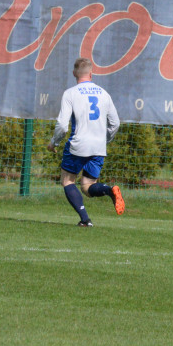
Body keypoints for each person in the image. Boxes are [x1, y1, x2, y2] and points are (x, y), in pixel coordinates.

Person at [47, 57, 126, 226]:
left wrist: (54, 142)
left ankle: (85, 220)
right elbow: (115, 123)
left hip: (78, 144)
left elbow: (62, 125)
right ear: (91, 73)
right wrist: (105, 140)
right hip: (98, 146)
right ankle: (109, 189)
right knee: (88, 186)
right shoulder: (104, 93)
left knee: (68, 180)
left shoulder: (71, 93)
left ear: (74, 73)